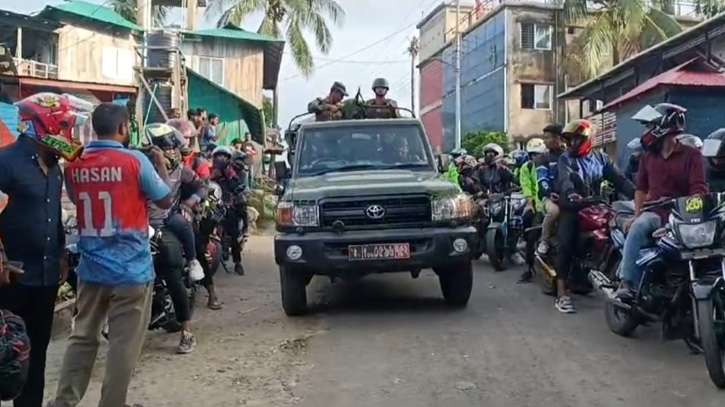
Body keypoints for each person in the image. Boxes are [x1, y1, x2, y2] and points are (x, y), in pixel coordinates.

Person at [50, 103, 172, 407]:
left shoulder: (74, 164)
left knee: (82, 336)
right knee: (123, 345)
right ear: (123, 128)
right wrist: (161, 168)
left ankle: (64, 401)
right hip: (131, 271)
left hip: (91, 268)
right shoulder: (135, 161)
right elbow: (165, 200)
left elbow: (79, 200)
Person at [0, 92, 89, 407]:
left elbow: (52, 217)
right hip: (10, 279)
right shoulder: (6, 161)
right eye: (66, 127)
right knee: (4, 354)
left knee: (35, 354)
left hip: (47, 275)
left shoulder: (55, 164)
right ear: (47, 126)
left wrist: (62, 253)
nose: (70, 136)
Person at [615, 104, 707, 301]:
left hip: (682, 216)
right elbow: (641, 189)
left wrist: (692, 210)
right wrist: (637, 215)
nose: (646, 132)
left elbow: (698, 190)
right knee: (638, 226)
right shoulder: (648, 157)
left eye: (649, 126)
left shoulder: (693, 155)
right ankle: (627, 282)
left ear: (662, 127)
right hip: (655, 213)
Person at [555, 119, 635, 313]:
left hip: (597, 205)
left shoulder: (602, 159)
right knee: (566, 245)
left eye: (576, 139)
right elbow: (566, 179)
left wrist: (638, 194)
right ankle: (561, 294)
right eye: (569, 139)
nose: (572, 143)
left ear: (588, 139)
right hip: (573, 207)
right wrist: (572, 193)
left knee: (618, 233)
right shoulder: (566, 159)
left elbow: (620, 179)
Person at [144, 123, 207, 353]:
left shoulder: (181, 170)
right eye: (164, 147)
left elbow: (201, 187)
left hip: (165, 226)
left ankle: (186, 332)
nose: (170, 152)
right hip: (139, 228)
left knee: (171, 272)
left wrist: (189, 204)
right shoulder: (139, 167)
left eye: (172, 148)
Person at [211, 146, 249, 276]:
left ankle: (238, 262)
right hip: (214, 204)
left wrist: (229, 178)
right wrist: (211, 177)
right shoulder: (211, 171)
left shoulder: (231, 172)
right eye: (218, 156)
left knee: (233, 235)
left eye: (223, 156)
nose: (220, 159)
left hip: (228, 205)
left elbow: (237, 187)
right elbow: (203, 185)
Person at [535, 124, 565, 256]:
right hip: (550, 197)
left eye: (547, 138)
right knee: (554, 211)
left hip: (569, 197)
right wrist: (549, 193)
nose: (545, 141)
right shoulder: (543, 159)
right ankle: (544, 240)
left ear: (558, 138)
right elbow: (542, 180)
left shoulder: (569, 156)